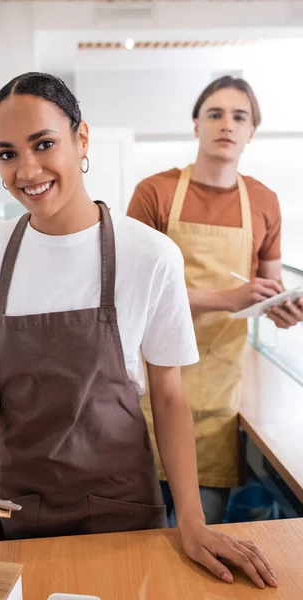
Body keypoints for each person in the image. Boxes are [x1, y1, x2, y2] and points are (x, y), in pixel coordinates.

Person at [0, 73, 277, 589]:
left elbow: (169, 399)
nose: (27, 170)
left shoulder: (149, 255)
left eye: (44, 144)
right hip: (22, 509)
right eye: (7, 153)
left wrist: (192, 521)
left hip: (122, 509)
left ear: (82, 139)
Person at [127, 76, 303, 527]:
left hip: (216, 397)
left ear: (251, 132)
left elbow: (269, 289)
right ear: (195, 124)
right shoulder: (155, 192)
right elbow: (128, 295)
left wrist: (285, 310)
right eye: (215, 114)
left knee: (200, 542)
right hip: (146, 391)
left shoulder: (264, 201)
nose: (227, 124)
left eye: (239, 116)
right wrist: (228, 297)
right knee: (139, 547)